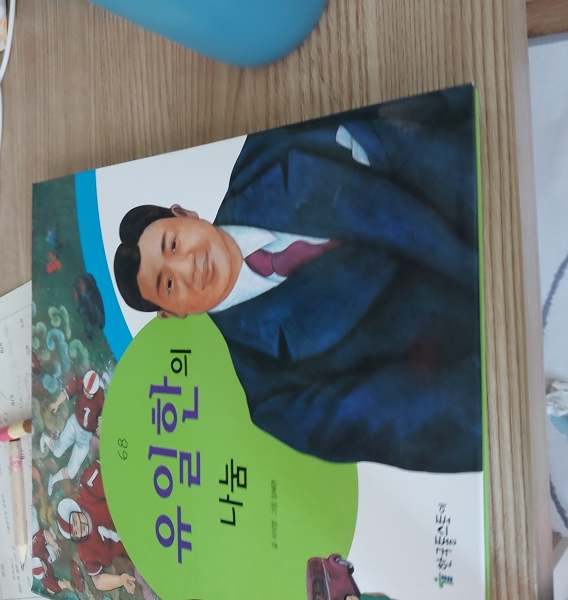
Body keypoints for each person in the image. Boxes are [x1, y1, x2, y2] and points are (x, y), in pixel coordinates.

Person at [114, 87, 483, 473]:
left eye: (173, 245)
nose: (188, 267)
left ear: (185, 214)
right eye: (168, 285)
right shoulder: (271, 394)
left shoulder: (266, 142)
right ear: (172, 313)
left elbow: (401, 99)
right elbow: (416, 423)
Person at [56, 460, 137, 593]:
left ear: (75, 510)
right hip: (137, 548)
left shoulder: (87, 492)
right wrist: (120, 580)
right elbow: (98, 581)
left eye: (75, 522)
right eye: (75, 532)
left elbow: (107, 466)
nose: (78, 528)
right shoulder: (85, 550)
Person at [41, 370, 104, 494]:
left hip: (86, 436)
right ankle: (44, 438)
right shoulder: (78, 383)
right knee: (57, 452)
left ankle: (53, 480)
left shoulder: (101, 396)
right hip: (74, 424)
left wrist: (101, 424)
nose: (88, 395)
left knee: (72, 471)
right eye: (86, 391)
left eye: (91, 393)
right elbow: (66, 392)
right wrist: (57, 403)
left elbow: (104, 413)